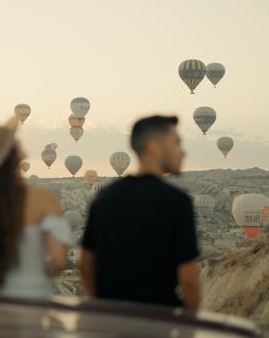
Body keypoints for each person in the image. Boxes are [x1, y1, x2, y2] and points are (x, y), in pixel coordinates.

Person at [79, 115, 201, 310]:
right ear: (154, 147)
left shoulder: (104, 197)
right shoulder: (177, 202)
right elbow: (189, 282)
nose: (183, 152)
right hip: (159, 322)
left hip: (110, 323)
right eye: (176, 143)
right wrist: (188, 325)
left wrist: (102, 307)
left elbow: (85, 266)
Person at [0, 117, 72, 298]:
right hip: (31, 303)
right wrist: (34, 277)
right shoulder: (43, 198)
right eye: (13, 139)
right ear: (10, 152)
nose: (19, 140)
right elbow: (59, 260)